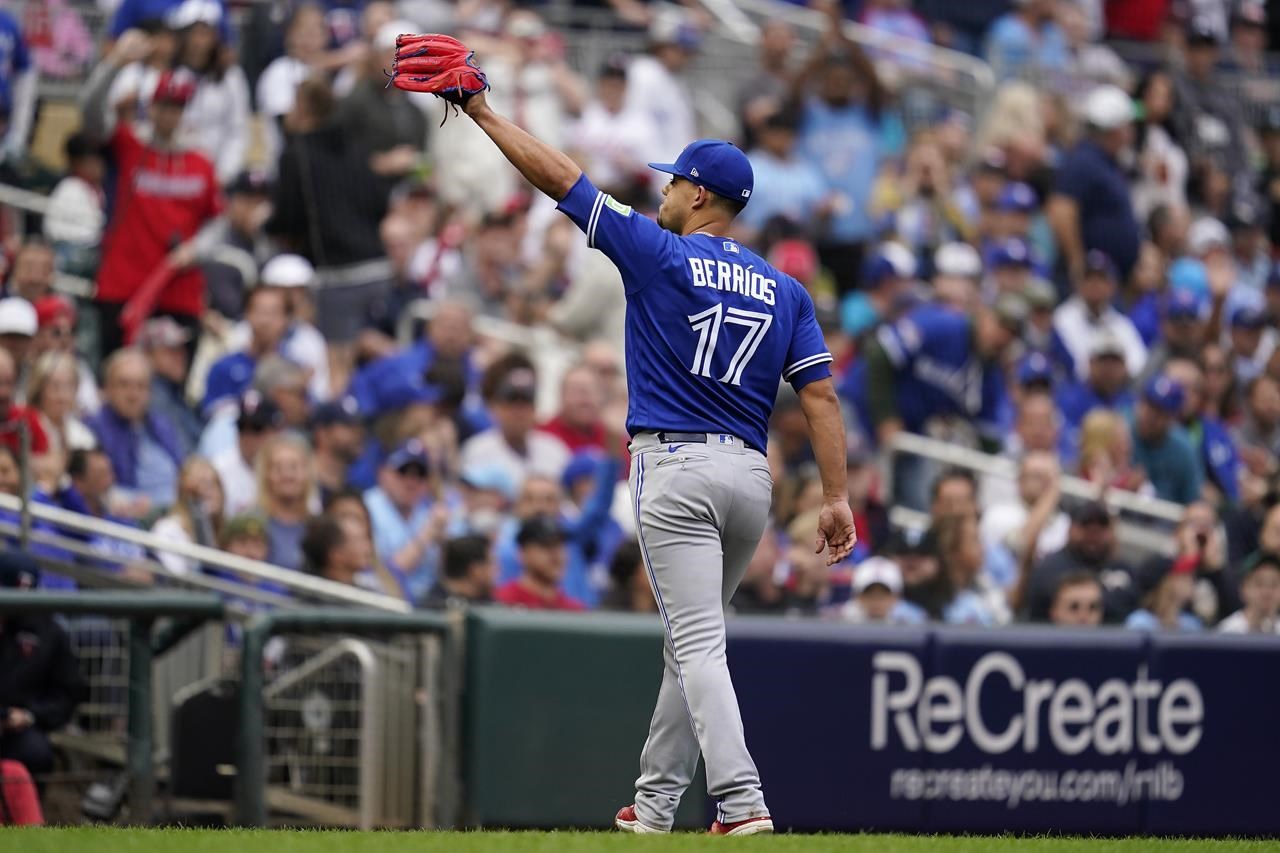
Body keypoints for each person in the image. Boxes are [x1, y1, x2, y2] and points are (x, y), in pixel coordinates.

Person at [457, 73, 856, 837]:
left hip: (675, 467)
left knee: (698, 642)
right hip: (749, 478)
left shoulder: (658, 253)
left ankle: (740, 801)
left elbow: (562, 179)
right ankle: (655, 805)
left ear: (701, 196)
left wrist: (483, 113)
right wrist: (835, 495)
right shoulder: (785, 289)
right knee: (689, 643)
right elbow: (821, 398)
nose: (664, 191)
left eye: (674, 181)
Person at [81, 36, 223, 359]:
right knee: (117, 374)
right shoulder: (130, 146)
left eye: (177, 107)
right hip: (123, 284)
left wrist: (196, 249)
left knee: (169, 389)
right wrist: (115, 64)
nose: (169, 115)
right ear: (151, 106)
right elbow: (90, 114)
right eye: (164, 105)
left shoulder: (201, 163)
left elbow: (218, 220)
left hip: (178, 291)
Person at [0, 553, 87, 783]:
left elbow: (68, 692)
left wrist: (30, 715)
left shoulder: (48, 631)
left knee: (36, 753)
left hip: (19, 729)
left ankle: (23, 818)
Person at [1047, 85, 1141, 285]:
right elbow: (1061, 210)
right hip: (1088, 283)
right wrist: (1077, 262)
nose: (1131, 133)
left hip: (1107, 280)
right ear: (1114, 130)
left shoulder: (1105, 162)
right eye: (1127, 126)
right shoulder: (1084, 162)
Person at [86, 349, 183, 515]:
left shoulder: (162, 426)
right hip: (132, 519)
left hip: (174, 510)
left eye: (141, 386)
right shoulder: (93, 429)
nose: (133, 394)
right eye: (124, 384)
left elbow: (182, 468)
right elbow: (97, 489)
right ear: (107, 389)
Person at [459, 359, 571, 486]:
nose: (518, 413)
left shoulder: (555, 450)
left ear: (534, 410)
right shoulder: (477, 450)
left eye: (525, 404)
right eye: (511, 404)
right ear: (497, 408)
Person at [1025, 500, 1138, 623]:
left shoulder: (1121, 566)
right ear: (1070, 529)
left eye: (1102, 527)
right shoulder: (1050, 567)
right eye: (1086, 526)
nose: (1094, 534)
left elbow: (1135, 603)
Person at [364, 439, 448, 600]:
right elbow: (387, 576)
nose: (411, 482)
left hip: (428, 604)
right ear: (383, 474)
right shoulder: (368, 508)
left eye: (420, 475)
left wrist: (444, 543)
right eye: (403, 472)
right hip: (384, 602)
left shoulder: (429, 509)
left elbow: (447, 576)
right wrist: (427, 534)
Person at [1052, 251, 1147, 382]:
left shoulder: (1120, 322)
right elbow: (1078, 369)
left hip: (1119, 391)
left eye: (1101, 278)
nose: (1095, 284)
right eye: (1089, 278)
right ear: (1077, 283)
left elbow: (1139, 364)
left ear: (1112, 285)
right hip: (1079, 392)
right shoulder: (1062, 318)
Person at [1131, 375, 1203, 505]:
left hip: (1165, 523)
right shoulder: (1120, 430)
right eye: (1149, 405)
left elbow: (1192, 501)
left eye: (1160, 411)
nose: (1151, 416)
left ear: (1173, 417)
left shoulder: (1184, 450)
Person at [210, 392, 282, 516]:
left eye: (256, 429)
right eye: (242, 428)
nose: (248, 437)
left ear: (275, 432)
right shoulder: (218, 469)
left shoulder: (291, 468)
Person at [494, 514, 585, 612]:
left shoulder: (574, 609)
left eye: (560, 546)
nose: (555, 554)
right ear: (522, 554)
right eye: (545, 545)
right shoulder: (501, 602)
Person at [150, 457, 223, 577]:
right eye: (199, 486)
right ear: (185, 493)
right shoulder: (168, 530)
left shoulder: (225, 530)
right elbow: (174, 579)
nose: (207, 492)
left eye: (213, 484)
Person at [1125, 556, 1203, 632]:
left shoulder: (1191, 624)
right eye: (1184, 575)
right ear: (1165, 583)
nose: (1191, 579)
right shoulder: (1140, 624)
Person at [838, 556, 922, 625]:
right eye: (870, 595)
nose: (876, 601)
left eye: (883, 595)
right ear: (858, 596)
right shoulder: (840, 619)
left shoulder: (913, 620)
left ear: (896, 597)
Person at [420, 534, 497, 608]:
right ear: (475, 570)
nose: (496, 569)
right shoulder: (432, 608)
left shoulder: (487, 602)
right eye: (491, 563)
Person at [1218, 554, 1280, 634]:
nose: (1266, 592)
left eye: (1274, 584)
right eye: (1259, 583)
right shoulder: (1226, 631)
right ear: (1243, 589)